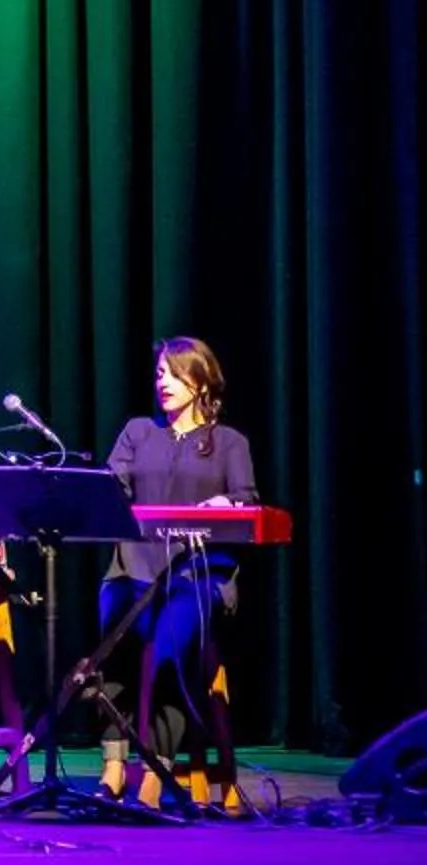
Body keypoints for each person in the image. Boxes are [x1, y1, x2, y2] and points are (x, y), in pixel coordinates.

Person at [96, 335, 257, 803]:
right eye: (158, 373)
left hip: (198, 574)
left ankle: (155, 768)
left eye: (172, 372)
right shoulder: (138, 432)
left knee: (169, 643)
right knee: (112, 645)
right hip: (135, 566)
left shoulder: (229, 443)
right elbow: (111, 487)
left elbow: (248, 501)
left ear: (200, 379)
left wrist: (226, 503)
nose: (161, 381)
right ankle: (112, 768)